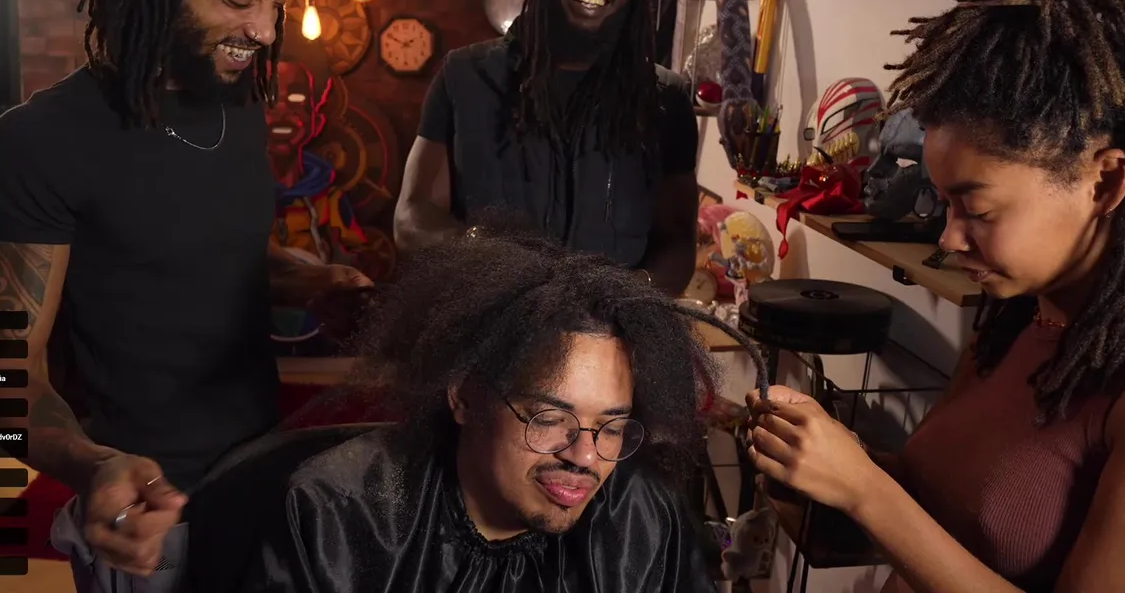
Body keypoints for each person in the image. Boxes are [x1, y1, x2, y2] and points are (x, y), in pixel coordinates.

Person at [0, 0, 371, 589]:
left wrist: (314, 281)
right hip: (154, 515)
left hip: (268, 485)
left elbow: (211, 252)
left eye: (277, 1)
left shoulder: (239, 108)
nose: (265, 30)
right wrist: (92, 465)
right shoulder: (30, 142)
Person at [744, 0, 1125, 592]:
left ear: (1102, 182)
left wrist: (865, 488)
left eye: (976, 210)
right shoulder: (1015, 316)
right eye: (944, 204)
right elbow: (947, 512)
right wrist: (825, 464)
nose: (951, 239)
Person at [249, 222, 767, 592]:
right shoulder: (336, 519)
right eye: (550, 418)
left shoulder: (642, 520)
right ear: (465, 396)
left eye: (611, 427)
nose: (586, 458)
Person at [393, 0, 698, 297]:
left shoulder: (665, 100)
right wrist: (477, 249)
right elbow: (411, 217)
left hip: (610, 333)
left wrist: (629, 299)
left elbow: (678, 242)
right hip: (486, 327)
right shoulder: (464, 77)